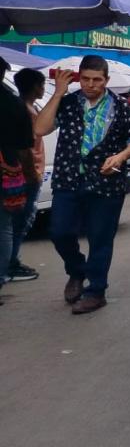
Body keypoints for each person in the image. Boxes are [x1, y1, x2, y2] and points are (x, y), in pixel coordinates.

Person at [35, 56, 130, 313]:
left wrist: (120, 156)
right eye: (85, 78)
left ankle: (96, 290)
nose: (90, 84)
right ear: (79, 78)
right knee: (60, 232)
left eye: (97, 80)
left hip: (106, 184)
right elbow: (40, 129)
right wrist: (59, 93)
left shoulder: (120, 107)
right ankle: (76, 271)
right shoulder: (68, 103)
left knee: (100, 238)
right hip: (68, 179)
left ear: (106, 81)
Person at [0, 57, 38, 303]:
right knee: (4, 228)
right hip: (8, 172)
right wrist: (31, 176)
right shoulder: (13, 104)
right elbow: (26, 149)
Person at [9, 68, 47, 282]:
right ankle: (11, 263)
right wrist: (32, 173)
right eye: (41, 85)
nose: (43, 89)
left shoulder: (27, 108)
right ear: (35, 87)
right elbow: (26, 148)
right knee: (20, 221)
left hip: (27, 173)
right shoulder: (26, 112)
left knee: (19, 221)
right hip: (27, 174)